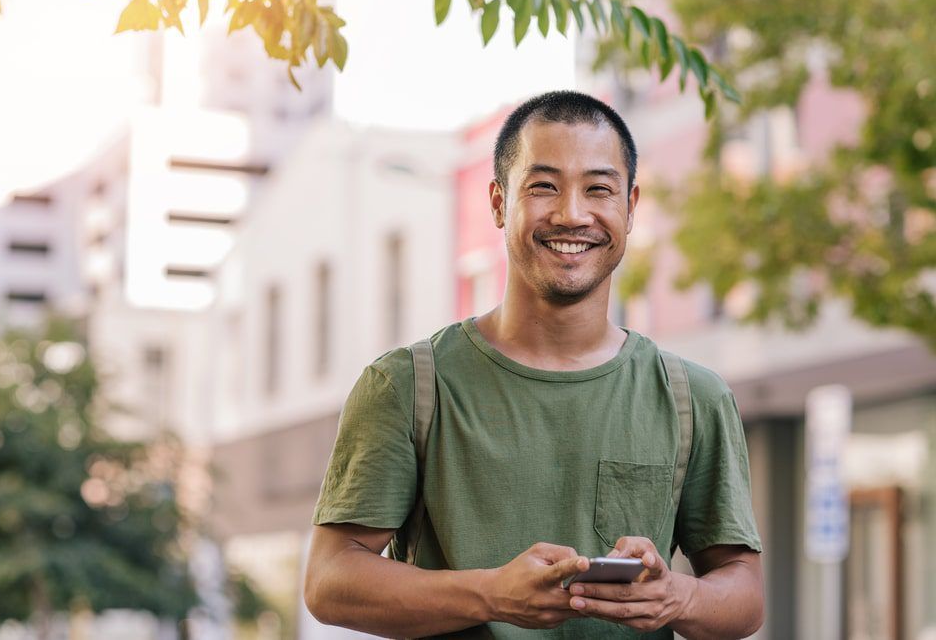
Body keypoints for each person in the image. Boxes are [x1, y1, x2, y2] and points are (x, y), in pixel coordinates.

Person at [304, 90, 764, 639]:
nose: (572, 214)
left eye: (599, 189)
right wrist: (490, 595)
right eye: (544, 186)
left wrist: (678, 595)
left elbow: (744, 592)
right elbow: (329, 580)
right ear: (499, 203)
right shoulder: (407, 385)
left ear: (631, 207)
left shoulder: (693, 396)